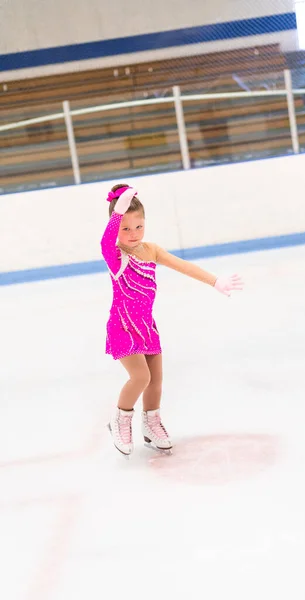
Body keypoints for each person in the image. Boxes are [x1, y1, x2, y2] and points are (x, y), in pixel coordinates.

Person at [101, 183, 243, 457]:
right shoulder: (116, 254)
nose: (133, 234)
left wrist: (215, 281)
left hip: (146, 326)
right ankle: (120, 420)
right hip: (123, 325)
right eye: (125, 228)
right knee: (139, 376)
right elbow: (105, 239)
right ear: (115, 227)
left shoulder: (150, 250)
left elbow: (183, 265)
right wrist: (118, 210)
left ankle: (151, 426)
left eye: (139, 227)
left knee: (155, 380)